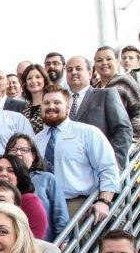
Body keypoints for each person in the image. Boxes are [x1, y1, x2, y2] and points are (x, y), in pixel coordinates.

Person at [33, 86, 119, 221]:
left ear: (68, 107)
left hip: (76, 204)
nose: (51, 107)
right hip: (44, 205)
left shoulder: (88, 133)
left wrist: (104, 201)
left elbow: (108, 168)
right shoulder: (36, 140)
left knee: (74, 241)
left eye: (57, 102)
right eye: (46, 103)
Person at [65, 55, 133, 169]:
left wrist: (115, 164)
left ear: (90, 73)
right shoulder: (61, 101)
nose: (73, 72)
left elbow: (123, 129)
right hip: (69, 169)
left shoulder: (105, 95)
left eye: (78, 68)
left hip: (99, 166)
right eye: (69, 70)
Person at [4, 133, 69, 243]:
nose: (18, 153)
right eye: (13, 149)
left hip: (44, 245)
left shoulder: (46, 179)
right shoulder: (3, 181)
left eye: (24, 150)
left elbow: (60, 215)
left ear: (33, 155)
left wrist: (64, 243)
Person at [0, 154, 48, 239]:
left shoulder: (28, 200)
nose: (3, 174)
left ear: (19, 176)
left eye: (10, 171)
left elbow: (35, 238)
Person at [94, 46, 140, 140]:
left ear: (117, 61)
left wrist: (132, 139)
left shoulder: (125, 81)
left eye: (109, 59)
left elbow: (137, 111)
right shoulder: (94, 89)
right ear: (95, 64)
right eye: (99, 60)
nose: (104, 63)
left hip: (125, 144)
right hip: (102, 143)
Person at [19, 63, 49, 134]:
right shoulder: (24, 111)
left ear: (44, 79)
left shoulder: (50, 106)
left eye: (38, 77)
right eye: (29, 78)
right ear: (25, 83)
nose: (33, 81)